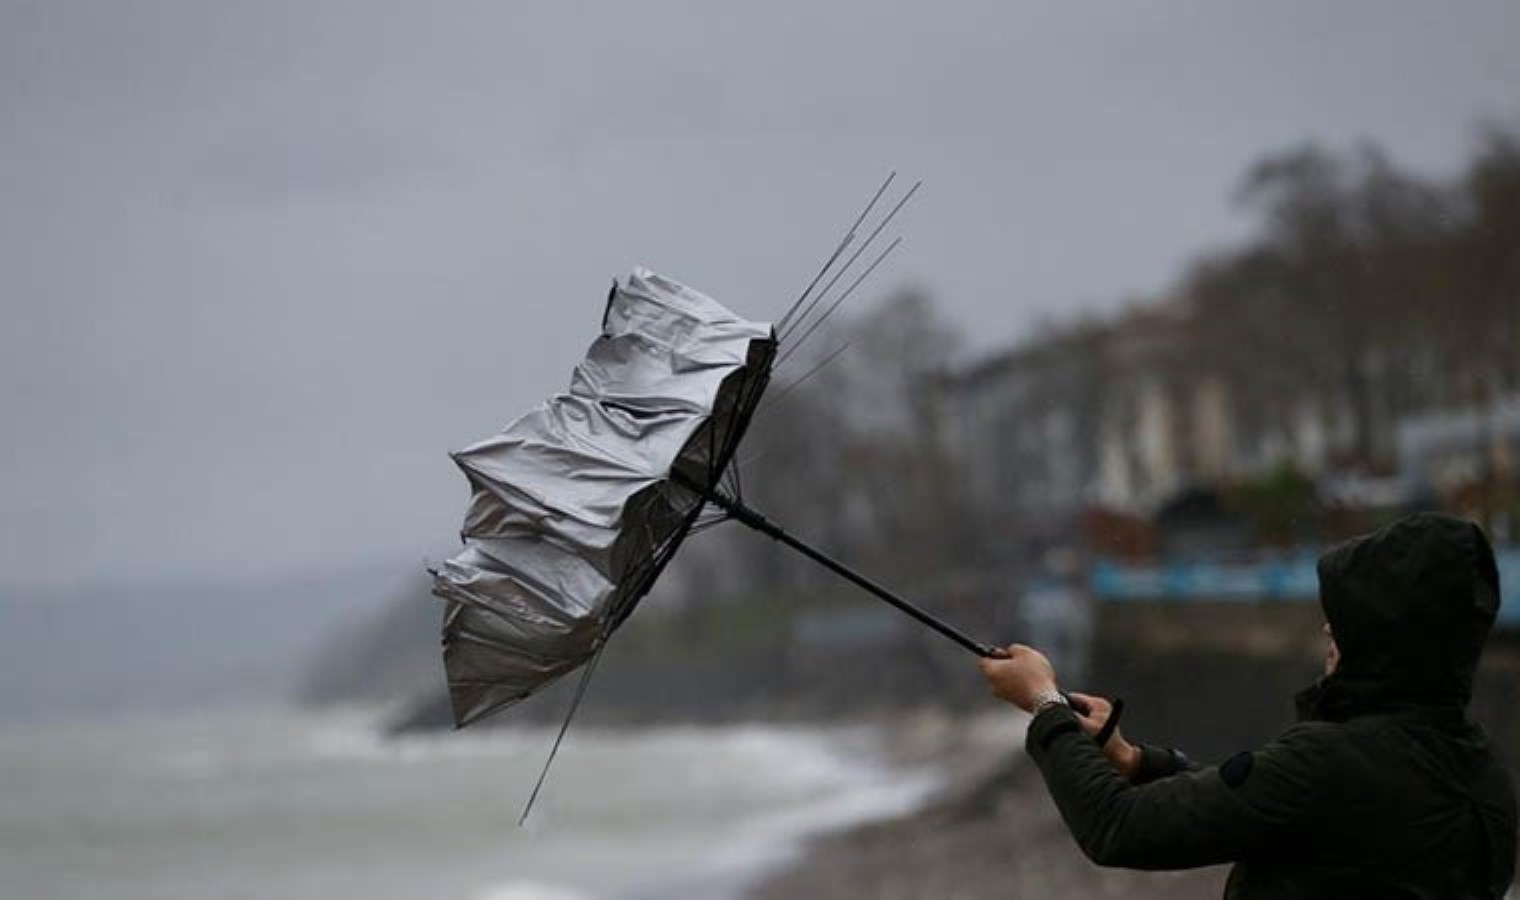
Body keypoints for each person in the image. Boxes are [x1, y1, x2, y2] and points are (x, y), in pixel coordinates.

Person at [978, 512, 1517, 898]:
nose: (1328, 631)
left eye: (1347, 619)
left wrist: (1044, 702)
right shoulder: (1481, 772)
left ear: (1385, 638)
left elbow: (1118, 826)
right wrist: (1134, 761)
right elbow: (1277, 809)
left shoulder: (1330, 764)